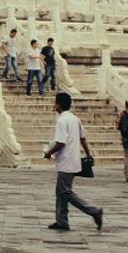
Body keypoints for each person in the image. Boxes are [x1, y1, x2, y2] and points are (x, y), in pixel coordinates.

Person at [43, 92, 103, 231]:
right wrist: (88, 154)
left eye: (55, 103)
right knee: (61, 191)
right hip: (73, 161)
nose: (54, 105)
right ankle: (62, 220)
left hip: (66, 162)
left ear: (58, 105)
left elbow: (60, 142)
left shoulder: (62, 121)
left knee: (65, 192)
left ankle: (93, 211)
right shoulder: (75, 119)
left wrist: (48, 153)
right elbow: (83, 138)